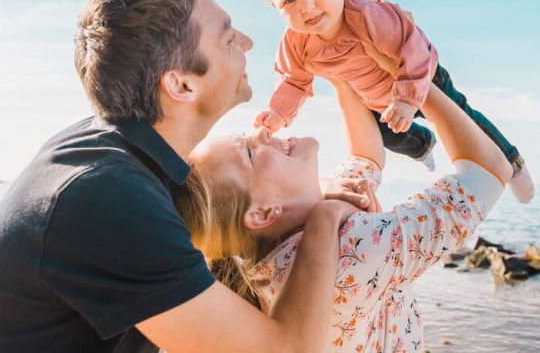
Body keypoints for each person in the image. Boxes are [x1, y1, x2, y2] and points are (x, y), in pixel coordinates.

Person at [0, 0, 370, 353]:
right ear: (181, 85)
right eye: (228, 38)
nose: (247, 43)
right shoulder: (108, 197)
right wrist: (323, 216)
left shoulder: (115, 156)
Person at [176, 72, 519, 352]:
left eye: (245, 136)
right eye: (249, 153)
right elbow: (490, 172)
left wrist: (341, 69)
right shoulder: (352, 246)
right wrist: (419, 80)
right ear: (263, 213)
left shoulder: (275, 245)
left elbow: (366, 156)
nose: (262, 131)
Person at [252, 0, 534, 202]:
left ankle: (512, 163)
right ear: (274, 7)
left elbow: (414, 50)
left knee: (464, 119)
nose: (306, 5)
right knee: (391, 137)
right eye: (289, 0)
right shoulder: (295, 43)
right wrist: (279, 113)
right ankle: (423, 145)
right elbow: (293, 81)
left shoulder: (368, 15)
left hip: (418, 75)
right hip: (374, 98)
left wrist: (408, 100)